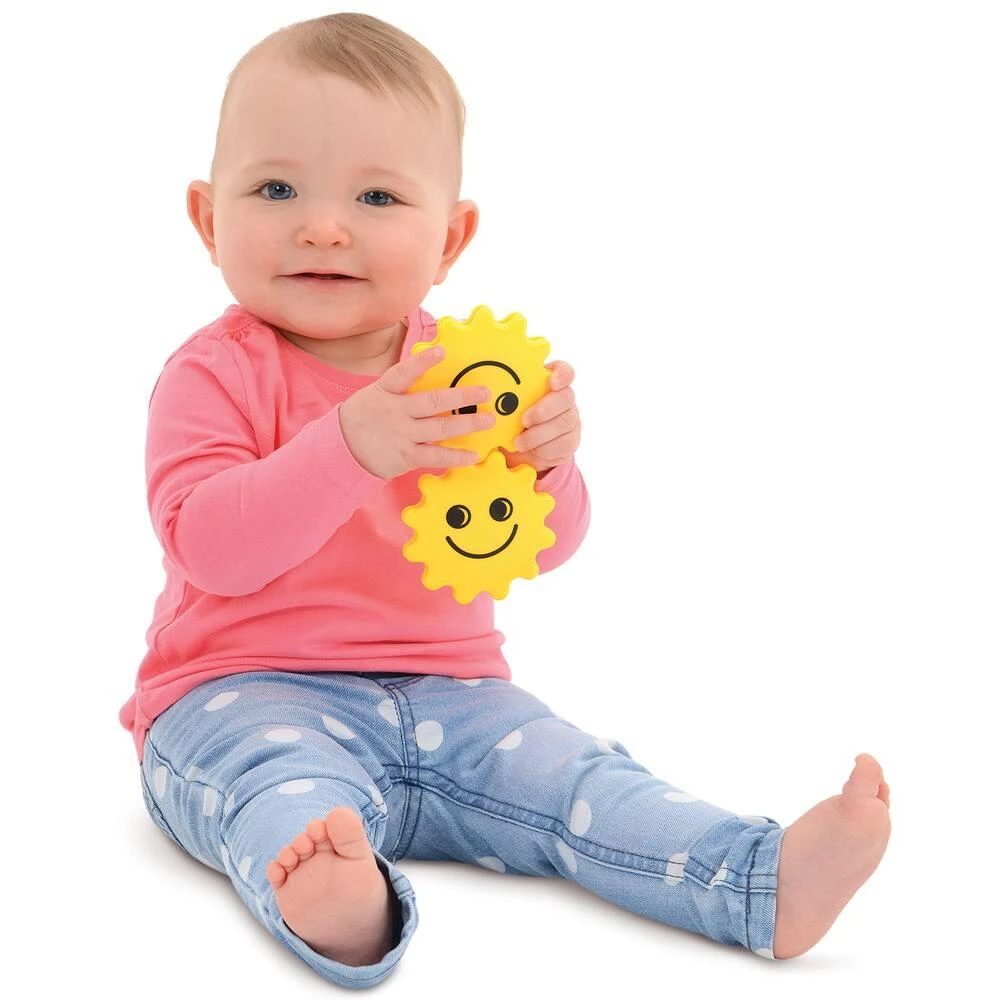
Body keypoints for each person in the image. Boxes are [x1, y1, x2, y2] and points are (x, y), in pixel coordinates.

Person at [120, 12, 891, 990]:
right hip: (242, 691)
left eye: (376, 195)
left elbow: (543, 546)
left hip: (460, 694)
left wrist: (544, 468)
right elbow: (211, 548)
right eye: (276, 189)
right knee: (282, 792)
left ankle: (755, 879)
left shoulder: (472, 372)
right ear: (207, 219)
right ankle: (338, 902)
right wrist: (351, 445)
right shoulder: (214, 375)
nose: (323, 225)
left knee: (580, 778)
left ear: (449, 238)